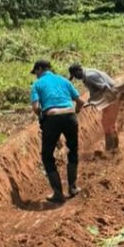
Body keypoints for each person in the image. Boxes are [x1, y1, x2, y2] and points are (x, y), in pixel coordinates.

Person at [30, 59, 84, 203]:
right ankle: (72, 187)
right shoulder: (64, 81)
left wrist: (42, 118)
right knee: (73, 150)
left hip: (52, 117)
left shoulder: (37, 84)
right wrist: (75, 113)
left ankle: (58, 193)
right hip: (70, 116)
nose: (36, 75)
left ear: (39, 69)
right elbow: (80, 102)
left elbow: (36, 107)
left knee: (47, 156)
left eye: (36, 72)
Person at [69, 62, 121, 152]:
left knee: (107, 124)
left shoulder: (90, 76)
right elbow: (95, 90)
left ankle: (110, 150)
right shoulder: (87, 75)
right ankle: (114, 148)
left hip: (110, 98)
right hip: (109, 98)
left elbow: (105, 87)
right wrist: (91, 100)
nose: (76, 78)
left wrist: (103, 101)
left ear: (79, 70)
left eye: (75, 75)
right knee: (109, 124)